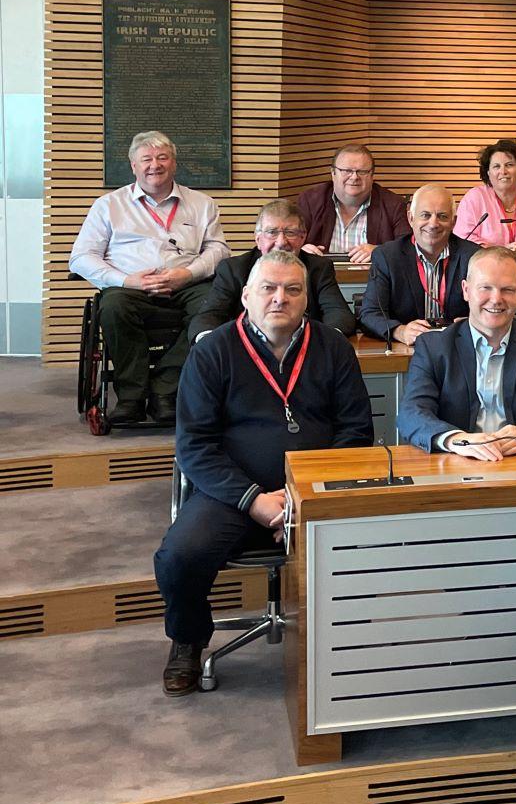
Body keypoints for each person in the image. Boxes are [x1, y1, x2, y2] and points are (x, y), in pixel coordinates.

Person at [154, 250, 373, 695]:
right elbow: (194, 446)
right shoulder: (213, 351)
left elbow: (356, 431)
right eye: (269, 289)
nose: (280, 299)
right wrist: (254, 500)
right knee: (178, 558)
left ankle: (354, 649)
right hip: (232, 495)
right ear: (246, 295)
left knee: (377, 549)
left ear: (306, 298)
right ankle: (189, 638)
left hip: (313, 494)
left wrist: (302, 497)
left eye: (293, 290)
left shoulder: (332, 347)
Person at [69, 130, 231, 425]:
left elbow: (218, 249)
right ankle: (131, 397)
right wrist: (126, 280)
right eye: (146, 159)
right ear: (133, 166)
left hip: (188, 285)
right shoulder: (109, 205)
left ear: (174, 163)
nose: (154, 165)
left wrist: (188, 273)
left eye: (162, 157)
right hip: (130, 289)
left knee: (217, 308)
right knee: (113, 306)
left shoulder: (202, 204)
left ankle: (165, 390)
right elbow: (81, 258)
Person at [397, 246, 516, 457]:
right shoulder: (433, 346)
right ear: (466, 290)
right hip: (456, 460)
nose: (496, 299)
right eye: (485, 288)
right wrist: (457, 440)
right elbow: (411, 414)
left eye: (507, 289)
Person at [188, 199, 356, 341]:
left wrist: (325, 344)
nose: (281, 242)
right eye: (272, 232)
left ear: (303, 237)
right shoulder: (233, 269)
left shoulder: (319, 268)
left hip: (305, 351)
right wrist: (210, 346)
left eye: (290, 232)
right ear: (258, 238)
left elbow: (339, 314)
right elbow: (209, 316)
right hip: (246, 354)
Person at [357, 184, 480, 347]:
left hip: (459, 347)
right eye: (425, 215)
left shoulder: (474, 257)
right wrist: (399, 331)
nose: (433, 223)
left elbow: (489, 307)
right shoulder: (388, 256)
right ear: (411, 218)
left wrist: (475, 322)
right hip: (409, 350)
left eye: (442, 216)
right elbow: (369, 314)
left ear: (453, 222)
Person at [296, 144, 410, 265]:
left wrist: (381, 252)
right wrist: (300, 250)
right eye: (347, 171)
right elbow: (288, 241)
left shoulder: (393, 205)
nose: (354, 177)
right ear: (333, 174)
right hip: (319, 281)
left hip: (373, 280)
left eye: (362, 171)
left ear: (372, 176)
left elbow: (408, 249)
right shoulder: (310, 201)